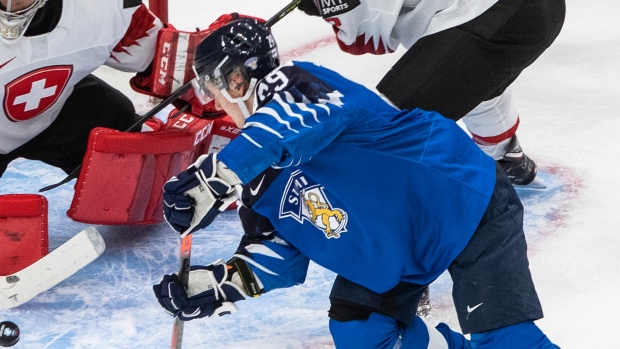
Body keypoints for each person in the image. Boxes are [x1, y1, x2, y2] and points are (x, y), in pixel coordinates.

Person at [153, 18, 559, 348]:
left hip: (459, 201)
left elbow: (284, 124)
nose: (213, 101)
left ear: (236, 79)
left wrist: (214, 177)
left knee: (506, 341)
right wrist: (219, 284)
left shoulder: (295, 86)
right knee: (359, 332)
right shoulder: (252, 168)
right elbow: (280, 256)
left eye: (211, 87)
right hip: (396, 245)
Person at [296, 0, 566, 187]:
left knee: (385, 133)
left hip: (494, 16)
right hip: (527, 13)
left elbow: (367, 32)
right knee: (474, 81)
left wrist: (331, 6)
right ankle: (506, 156)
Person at [0, 0, 163, 177]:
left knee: (120, 130)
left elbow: (167, 61)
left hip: (55, 111)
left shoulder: (103, 6)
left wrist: (194, 77)